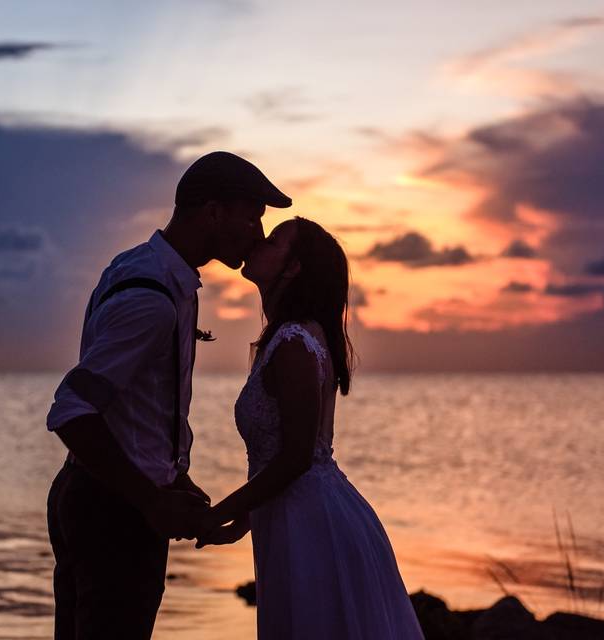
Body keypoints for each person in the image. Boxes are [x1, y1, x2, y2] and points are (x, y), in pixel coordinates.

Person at [45, 151, 292, 640]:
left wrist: (174, 481)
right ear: (213, 212)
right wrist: (149, 501)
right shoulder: (152, 298)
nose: (257, 234)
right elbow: (72, 409)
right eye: (251, 217)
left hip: (98, 497)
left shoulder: (149, 272)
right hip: (112, 512)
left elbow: (136, 409)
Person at [196, 217, 424, 639]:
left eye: (276, 239)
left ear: (294, 267)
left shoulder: (294, 344)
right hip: (290, 514)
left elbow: (298, 456)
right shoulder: (290, 337)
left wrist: (218, 513)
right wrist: (247, 515)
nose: (260, 241)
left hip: (309, 524)